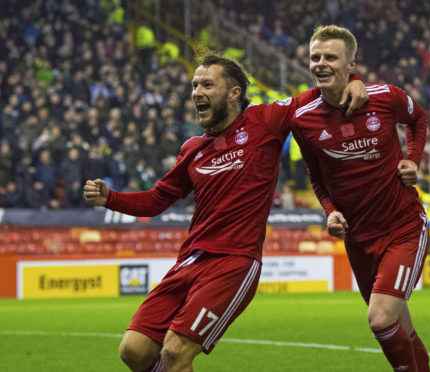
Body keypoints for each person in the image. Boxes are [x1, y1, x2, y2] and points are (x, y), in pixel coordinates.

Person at [84, 54, 367, 372]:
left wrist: (354, 80)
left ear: (234, 92)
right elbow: (157, 199)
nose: (197, 92)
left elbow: (317, 92)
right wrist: (111, 198)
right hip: (189, 261)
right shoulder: (192, 148)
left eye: (207, 84)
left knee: (175, 353)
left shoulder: (265, 120)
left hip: (234, 261)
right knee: (134, 351)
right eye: (194, 85)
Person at [291, 25, 430, 371]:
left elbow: (418, 118)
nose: (321, 64)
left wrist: (412, 158)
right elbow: (316, 175)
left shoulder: (386, 97)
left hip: (403, 227)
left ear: (351, 62)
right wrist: (329, 210)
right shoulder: (302, 117)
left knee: (381, 319)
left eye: (330, 57)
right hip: (358, 238)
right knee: (402, 329)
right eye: (315, 57)